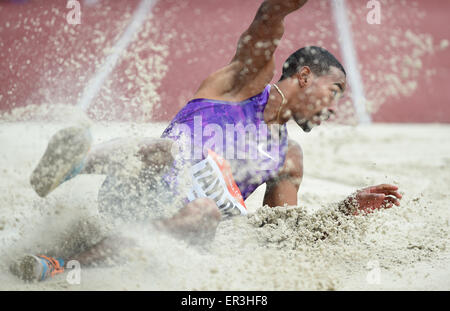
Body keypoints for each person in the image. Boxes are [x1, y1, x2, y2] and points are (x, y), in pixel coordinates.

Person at [10, 0, 402, 282]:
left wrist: (345, 210)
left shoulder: (288, 158)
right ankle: (72, 165)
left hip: (181, 227)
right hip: (134, 186)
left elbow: (278, 232)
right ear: (303, 76)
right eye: (334, 90)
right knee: (165, 148)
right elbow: (269, 17)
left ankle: (60, 263)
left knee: (206, 211)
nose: (334, 107)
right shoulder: (242, 85)